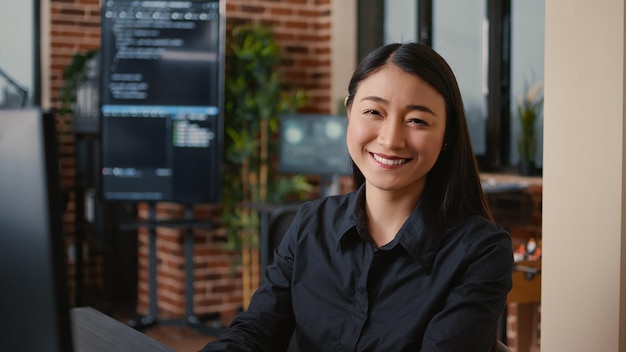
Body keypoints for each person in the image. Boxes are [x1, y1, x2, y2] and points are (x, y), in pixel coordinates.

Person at [200, 42, 513, 352]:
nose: (391, 139)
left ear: (447, 134)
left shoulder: (480, 251)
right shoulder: (311, 223)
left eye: (416, 120)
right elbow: (256, 331)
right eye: (374, 112)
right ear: (350, 111)